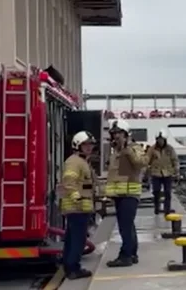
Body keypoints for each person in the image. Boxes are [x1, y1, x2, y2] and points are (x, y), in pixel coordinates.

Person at [104, 120, 147, 267]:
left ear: (126, 134)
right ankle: (132, 253)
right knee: (127, 225)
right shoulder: (116, 151)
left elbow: (140, 163)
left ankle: (126, 255)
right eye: (114, 133)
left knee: (125, 226)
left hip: (129, 193)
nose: (116, 136)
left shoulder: (134, 148)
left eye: (119, 133)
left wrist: (127, 149)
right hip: (119, 194)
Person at [60, 131, 97, 280]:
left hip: (80, 207)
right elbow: (69, 181)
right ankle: (73, 268)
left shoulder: (81, 161)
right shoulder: (75, 162)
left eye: (91, 144)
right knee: (78, 240)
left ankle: (69, 265)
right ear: (77, 146)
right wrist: (78, 198)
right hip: (77, 207)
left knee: (72, 239)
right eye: (85, 145)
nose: (89, 147)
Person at [148, 133, 179, 215]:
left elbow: (175, 160)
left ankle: (167, 209)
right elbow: (147, 160)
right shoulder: (152, 149)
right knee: (156, 192)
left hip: (167, 173)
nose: (160, 141)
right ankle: (157, 207)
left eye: (161, 139)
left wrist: (176, 171)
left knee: (167, 192)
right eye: (158, 139)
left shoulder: (170, 149)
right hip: (156, 173)